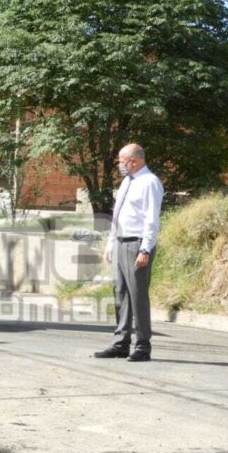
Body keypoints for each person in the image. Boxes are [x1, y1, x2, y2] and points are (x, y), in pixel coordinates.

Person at [95, 143, 164, 362]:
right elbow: (118, 216)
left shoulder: (150, 183)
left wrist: (145, 249)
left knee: (138, 296)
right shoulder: (127, 182)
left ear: (133, 161)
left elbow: (151, 220)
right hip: (120, 242)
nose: (119, 165)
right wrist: (110, 244)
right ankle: (121, 343)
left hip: (137, 244)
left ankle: (143, 346)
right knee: (120, 293)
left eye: (121, 161)